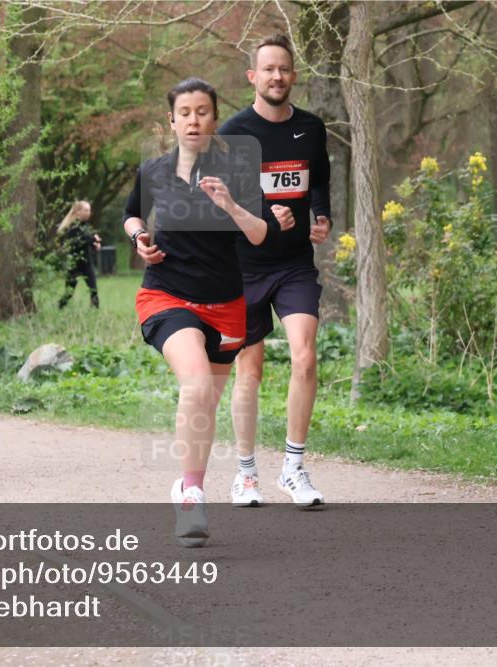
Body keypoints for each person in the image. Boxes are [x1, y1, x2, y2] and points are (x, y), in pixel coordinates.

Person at [124, 78, 291, 547]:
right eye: (184, 112)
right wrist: (139, 238)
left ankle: (183, 481)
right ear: (171, 121)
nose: (193, 119)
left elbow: (260, 235)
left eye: (202, 111)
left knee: (204, 406)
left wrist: (230, 205)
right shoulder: (155, 170)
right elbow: (132, 214)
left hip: (226, 305)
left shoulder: (236, 170)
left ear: (215, 118)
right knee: (196, 384)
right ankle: (193, 495)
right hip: (167, 296)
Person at [219, 34, 332, 508]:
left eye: (284, 68)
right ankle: (245, 474)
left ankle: (293, 468)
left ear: (293, 75)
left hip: (293, 265)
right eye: (268, 69)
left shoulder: (311, 127)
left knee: (305, 357)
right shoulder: (233, 132)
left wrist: (321, 216)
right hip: (244, 267)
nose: (277, 76)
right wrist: (267, 214)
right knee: (251, 366)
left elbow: (319, 179)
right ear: (253, 76)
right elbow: (219, 202)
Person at [56, 200, 101, 309]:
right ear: (78, 212)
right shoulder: (72, 226)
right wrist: (92, 239)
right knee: (69, 292)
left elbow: (88, 240)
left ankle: (95, 312)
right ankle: (60, 306)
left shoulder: (86, 226)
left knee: (93, 289)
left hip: (86, 263)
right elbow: (77, 242)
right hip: (74, 264)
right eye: (86, 210)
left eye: (89, 210)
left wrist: (96, 244)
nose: (88, 212)